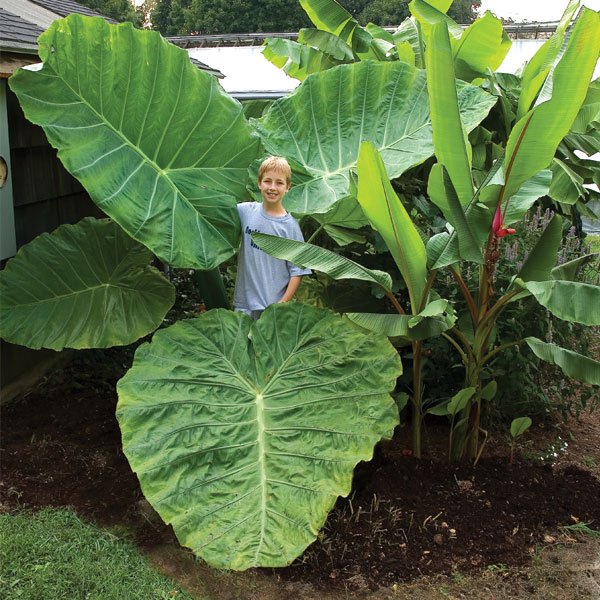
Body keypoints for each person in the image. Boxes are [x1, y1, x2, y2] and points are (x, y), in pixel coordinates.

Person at [233, 156, 311, 320]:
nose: (272, 187)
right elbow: (218, 211)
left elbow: (298, 271)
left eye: (279, 183)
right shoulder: (246, 212)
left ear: (288, 187)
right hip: (244, 303)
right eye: (267, 181)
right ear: (259, 183)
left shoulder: (290, 227)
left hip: (272, 307)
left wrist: (282, 303)